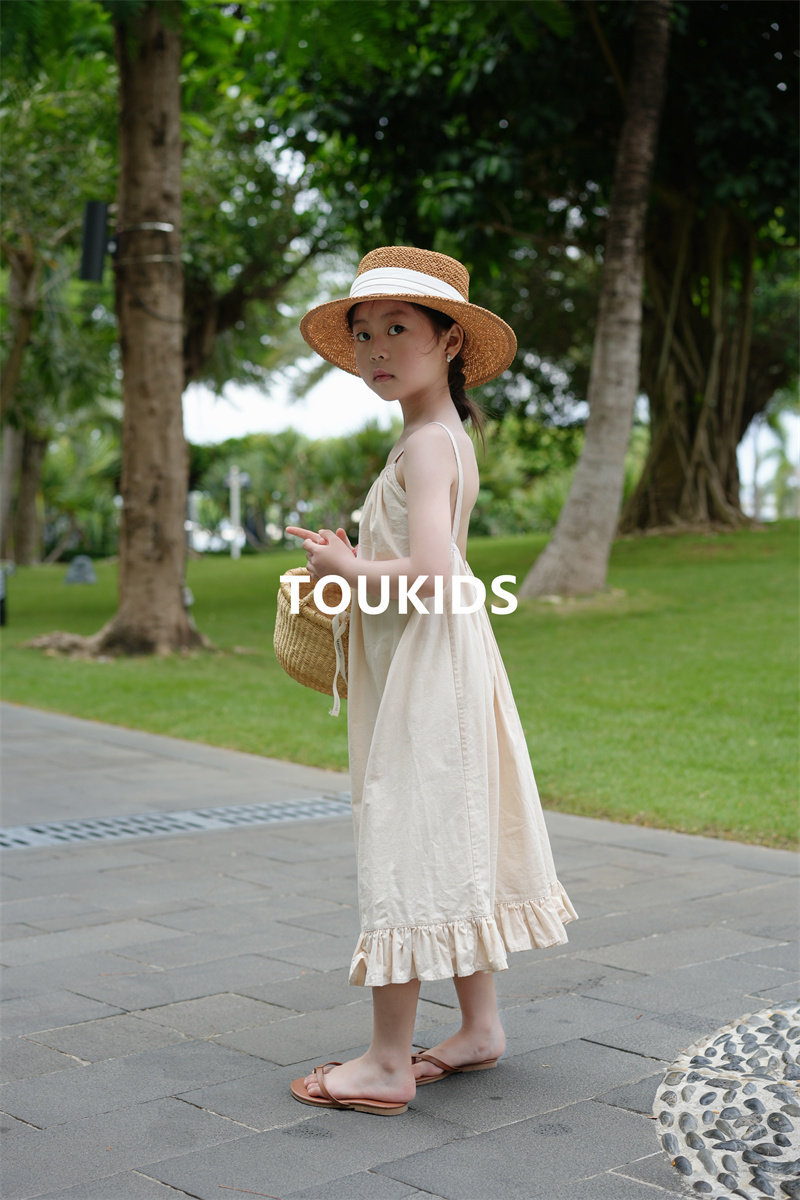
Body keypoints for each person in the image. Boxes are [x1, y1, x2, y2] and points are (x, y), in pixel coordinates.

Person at [285, 246, 577, 1116]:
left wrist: (348, 566)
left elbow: (435, 576)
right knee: (449, 832)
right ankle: (479, 1027)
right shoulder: (434, 437)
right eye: (363, 333)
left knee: (408, 837)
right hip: (434, 658)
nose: (376, 348)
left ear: (450, 342)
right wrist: (350, 564)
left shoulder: (426, 445)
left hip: (428, 666)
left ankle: (386, 1064)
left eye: (397, 329)